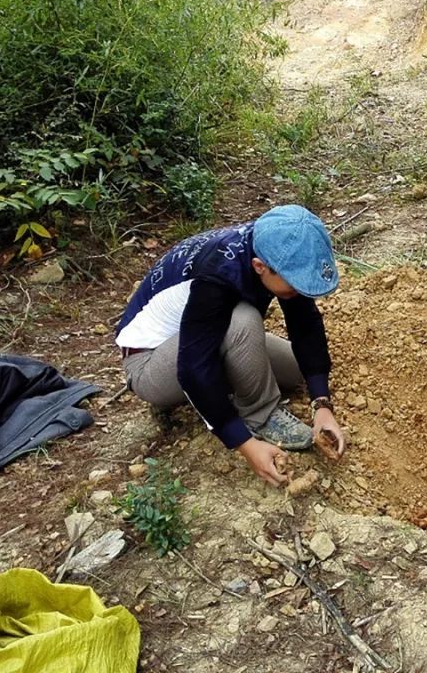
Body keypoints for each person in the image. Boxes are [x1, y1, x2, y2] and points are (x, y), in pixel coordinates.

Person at [115, 205, 345, 485]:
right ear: (260, 266)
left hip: (201, 334)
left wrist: (321, 404)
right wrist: (244, 444)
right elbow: (193, 367)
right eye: (295, 285)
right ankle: (260, 415)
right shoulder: (217, 276)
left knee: (296, 369)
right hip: (149, 364)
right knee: (243, 318)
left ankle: (229, 384)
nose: (299, 292)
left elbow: (304, 324)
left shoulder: (273, 245)